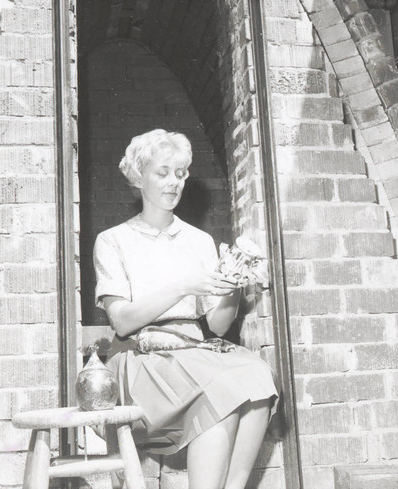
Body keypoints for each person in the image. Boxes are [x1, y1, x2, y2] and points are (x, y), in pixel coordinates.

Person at [93, 129, 278, 489]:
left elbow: (219, 327)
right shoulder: (113, 240)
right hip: (143, 358)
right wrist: (182, 286)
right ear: (138, 176)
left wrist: (233, 286)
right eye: (162, 173)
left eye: (180, 174)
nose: (173, 183)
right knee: (222, 389)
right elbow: (121, 320)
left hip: (194, 353)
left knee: (258, 377)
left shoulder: (199, 241)